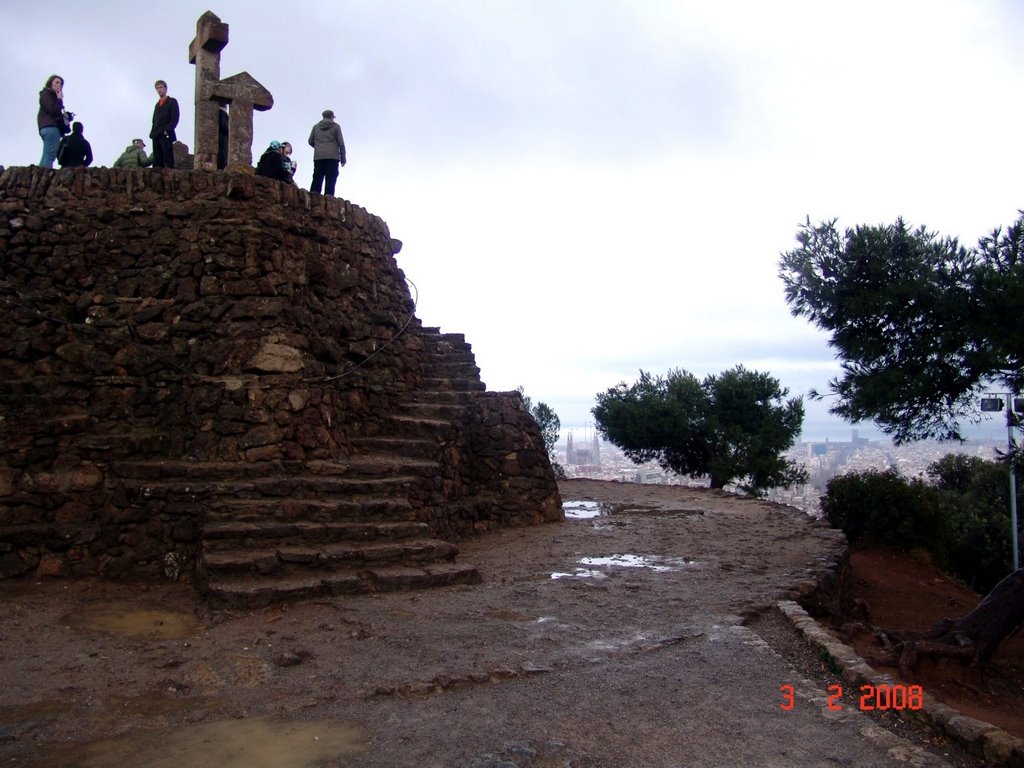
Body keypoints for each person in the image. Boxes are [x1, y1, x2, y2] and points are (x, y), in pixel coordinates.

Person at [308, 109, 346, 196]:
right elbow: (341, 143)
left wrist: (318, 147)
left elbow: (310, 141)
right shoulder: (336, 126)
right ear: (332, 116)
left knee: (317, 176)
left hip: (318, 156)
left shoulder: (316, 127)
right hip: (333, 156)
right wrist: (343, 158)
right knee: (331, 177)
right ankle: (328, 198)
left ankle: (313, 196)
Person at [37, 74, 67, 168]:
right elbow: (53, 110)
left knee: (47, 154)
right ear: (50, 83)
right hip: (50, 127)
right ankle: (45, 174)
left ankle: (40, 175)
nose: (59, 85)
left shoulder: (49, 96)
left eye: (61, 84)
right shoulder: (46, 94)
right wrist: (59, 99)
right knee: (50, 155)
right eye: (57, 82)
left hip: (48, 127)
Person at [150, 79, 180, 169]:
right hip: (156, 134)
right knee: (157, 159)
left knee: (167, 157)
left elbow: (175, 117)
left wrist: (168, 130)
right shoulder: (157, 105)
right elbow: (154, 120)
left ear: (165, 88)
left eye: (161, 87)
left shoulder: (172, 101)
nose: (159, 90)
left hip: (166, 133)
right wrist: (152, 133)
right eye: (157, 88)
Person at [217, 103, 229, 170]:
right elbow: (224, 125)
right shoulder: (222, 113)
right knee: (223, 154)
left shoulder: (217, 113)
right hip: (223, 137)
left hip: (221, 137)